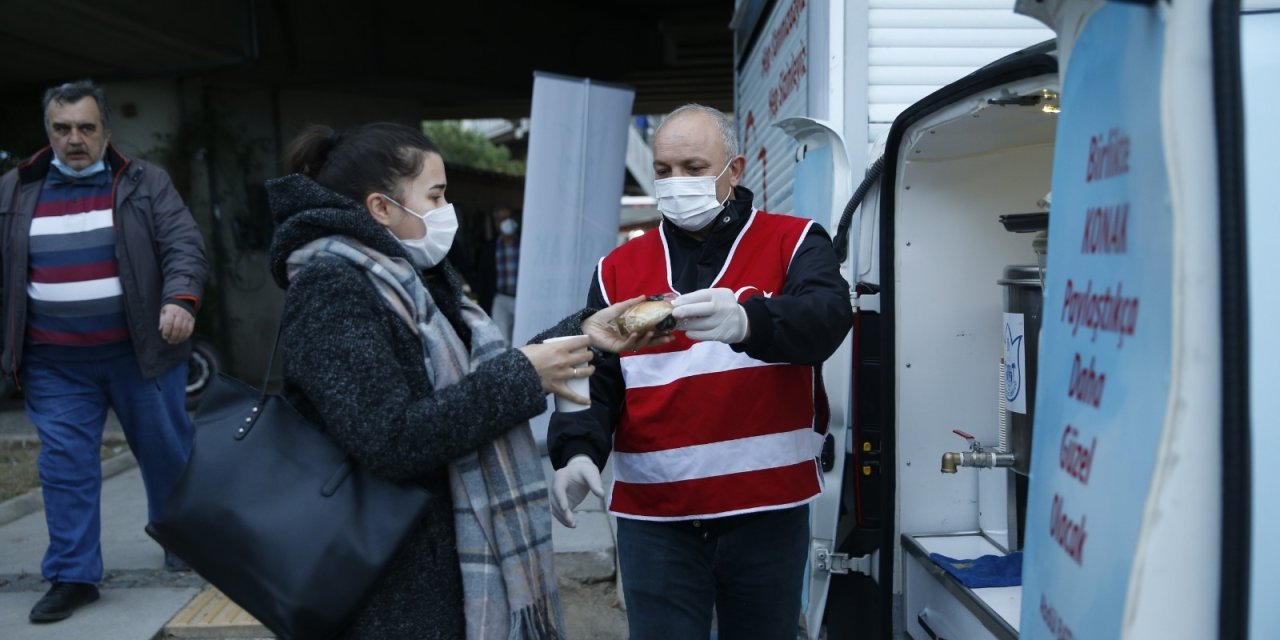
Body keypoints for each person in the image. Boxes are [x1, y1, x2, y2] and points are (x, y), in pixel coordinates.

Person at [268, 122, 665, 639]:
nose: (446, 210)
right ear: (381, 208)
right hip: (392, 579)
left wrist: (584, 331)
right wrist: (526, 375)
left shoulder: (411, 274)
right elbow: (389, 438)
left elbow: (477, 376)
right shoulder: (333, 286)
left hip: (434, 557)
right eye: (435, 195)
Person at [548, 104, 855, 639]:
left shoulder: (795, 240)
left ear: (733, 171)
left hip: (768, 509)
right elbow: (596, 373)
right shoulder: (617, 267)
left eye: (693, 168)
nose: (675, 184)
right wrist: (576, 450)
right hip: (656, 517)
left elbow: (827, 319)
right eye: (663, 170)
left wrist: (748, 320)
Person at [0, 79, 208, 623]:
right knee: (64, 466)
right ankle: (73, 575)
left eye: (86, 128)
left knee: (167, 454)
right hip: (54, 362)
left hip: (142, 354)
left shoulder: (144, 182)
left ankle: (183, 542)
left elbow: (184, 245)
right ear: (48, 131)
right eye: (62, 128)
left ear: (106, 131)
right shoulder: (14, 190)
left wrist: (180, 300)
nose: (75, 139)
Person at [478, 205, 520, 343]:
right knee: (502, 339)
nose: (507, 222)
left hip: (521, 298)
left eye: (509, 218)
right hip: (501, 298)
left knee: (522, 335)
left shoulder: (524, 244)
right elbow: (484, 279)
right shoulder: (490, 248)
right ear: (496, 223)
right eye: (502, 219)